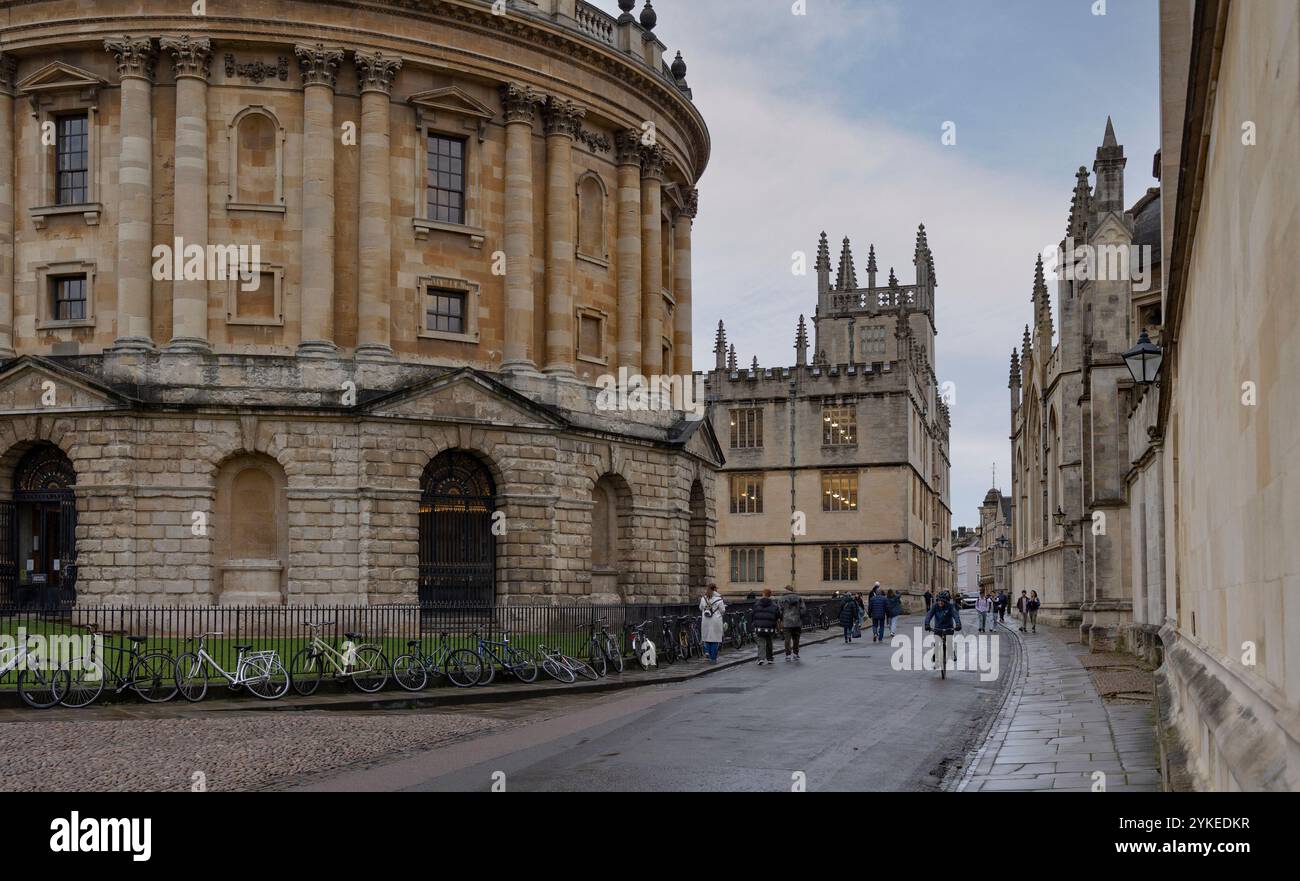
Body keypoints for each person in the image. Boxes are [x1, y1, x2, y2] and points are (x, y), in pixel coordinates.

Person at [924, 590, 961, 669]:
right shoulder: (935, 606)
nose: (940, 602)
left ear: (946, 601)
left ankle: (952, 652)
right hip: (938, 627)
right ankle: (936, 656)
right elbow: (929, 615)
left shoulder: (950, 606)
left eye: (942, 601)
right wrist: (927, 624)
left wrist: (958, 624)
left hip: (948, 627)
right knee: (937, 643)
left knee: (949, 641)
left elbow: (955, 615)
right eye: (939, 601)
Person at [751, 588, 779, 665]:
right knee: (769, 642)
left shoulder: (757, 604)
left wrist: (755, 623)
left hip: (759, 626)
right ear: (770, 595)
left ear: (763, 594)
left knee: (761, 642)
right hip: (770, 627)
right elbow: (777, 615)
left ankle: (761, 658)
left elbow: (753, 615)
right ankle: (770, 658)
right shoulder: (774, 605)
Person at [779, 585, 806, 661]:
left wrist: (781, 619)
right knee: (796, 638)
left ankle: (788, 655)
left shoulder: (782, 599)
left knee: (787, 639)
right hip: (797, 622)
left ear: (786, 590)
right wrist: (799, 616)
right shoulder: (799, 598)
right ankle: (795, 654)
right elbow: (803, 610)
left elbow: (779, 611)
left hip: (786, 622)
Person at [699, 585, 725, 662]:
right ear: (715, 590)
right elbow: (722, 610)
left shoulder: (703, 598)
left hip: (706, 620)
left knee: (706, 638)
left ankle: (707, 652)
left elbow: (700, 608)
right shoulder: (719, 599)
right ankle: (713, 658)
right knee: (714, 639)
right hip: (716, 621)